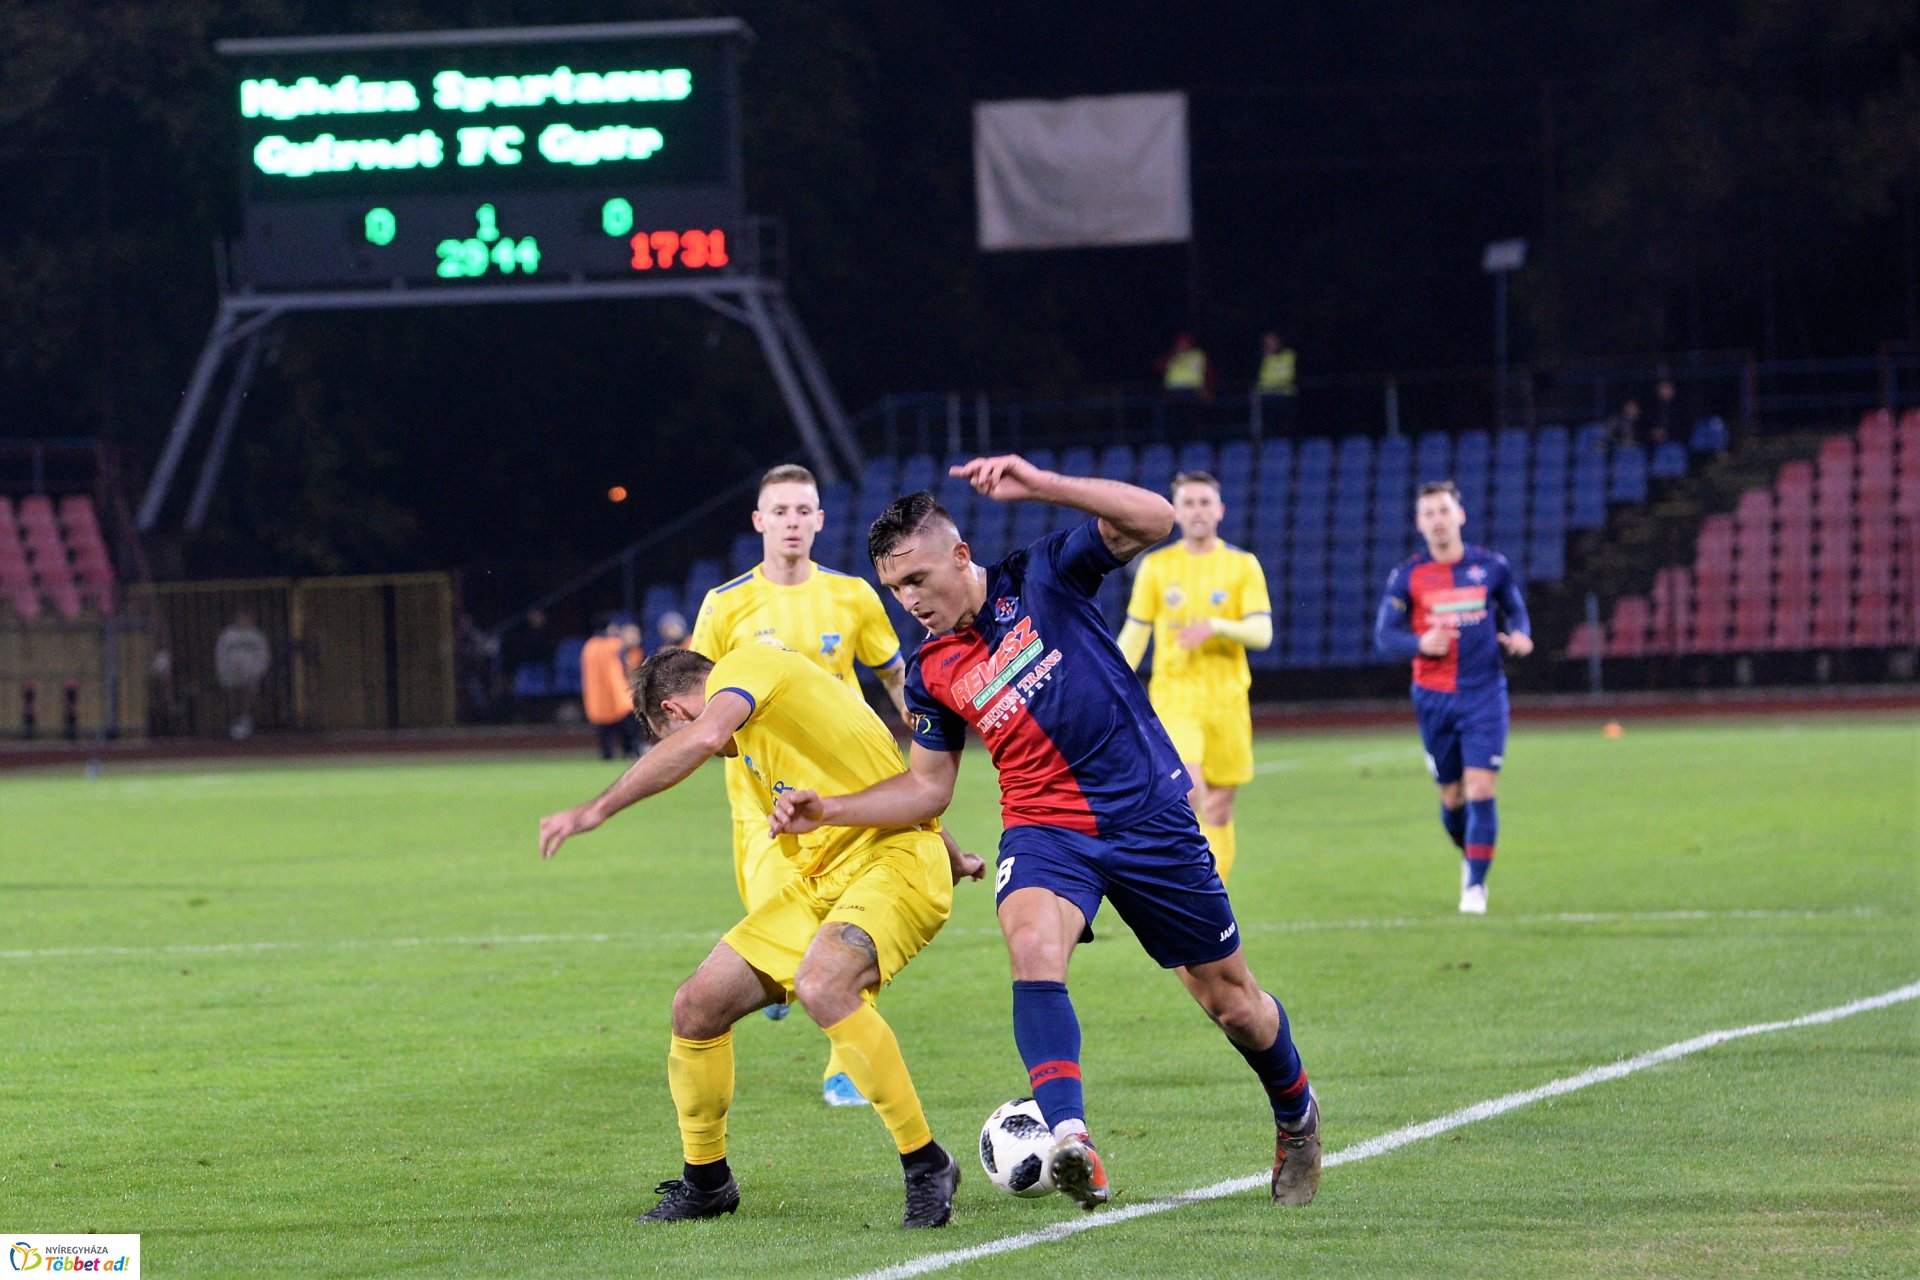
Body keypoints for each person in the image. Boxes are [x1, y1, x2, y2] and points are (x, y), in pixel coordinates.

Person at [769, 456, 1321, 1213]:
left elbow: (1154, 519)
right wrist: (826, 809)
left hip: (1147, 816)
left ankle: (1296, 1114)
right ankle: (1070, 1137)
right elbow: (929, 786)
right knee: (1031, 946)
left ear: (960, 555)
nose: (910, 601)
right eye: (896, 589)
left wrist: (1044, 486)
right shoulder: (933, 670)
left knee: (1233, 1004)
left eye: (919, 579)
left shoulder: (1043, 576)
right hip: (1044, 827)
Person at [536, 644, 981, 1227]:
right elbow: (887, 777)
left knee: (823, 985)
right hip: (827, 880)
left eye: (667, 732)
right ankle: (707, 1181)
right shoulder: (772, 727)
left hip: (891, 863)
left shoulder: (745, 671)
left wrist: (597, 809)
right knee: (696, 1006)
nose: (708, 746)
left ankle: (927, 1164)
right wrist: (956, 854)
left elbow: (697, 740)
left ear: (676, 708)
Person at [689, 463, 938, 1108]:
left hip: (846, 797)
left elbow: (891, 673)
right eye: (781, 511)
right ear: (759, 521)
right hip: (760, 805)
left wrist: (923, 734)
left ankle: (845, 1066)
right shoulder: (725, 605)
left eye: (804, 511)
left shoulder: (853, 595)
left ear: (821, 520)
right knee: (783, 923)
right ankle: (777, 983)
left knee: (851, 927)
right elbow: (700, 693)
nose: (793, 522)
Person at [1373, 480, 1533, 914]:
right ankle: (1471, 852)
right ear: (1419, 522)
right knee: (1453, 798)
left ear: (1459, 514)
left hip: (1485, 694)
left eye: (1444, 510)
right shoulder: (1408, 575)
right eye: (1429, 513)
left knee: (1481, 787)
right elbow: (1385, 634)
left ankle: (1475, 888)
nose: (1438, 520)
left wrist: (1521, 635)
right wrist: (1421, 643)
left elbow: (1516, 608)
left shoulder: (1492, 567)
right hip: (1433, 697)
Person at [1116, 471, 1273, 881]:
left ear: (1219, 510)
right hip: (1174, 697)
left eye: (1205, 502)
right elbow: (1135, 633)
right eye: (1188, 503)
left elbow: (1262, 632)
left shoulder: (1242, 566)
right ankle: (1182, 876)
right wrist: (1110, 680)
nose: (1197, 511)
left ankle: (1211, 889)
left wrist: (1218, 626)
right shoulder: (1156, 566)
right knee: (1188, 790)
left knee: (1220, 807)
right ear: (1176, 512)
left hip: (1227, 700)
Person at [581, 618, 643, 759]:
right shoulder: (616, 645)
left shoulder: (589, 646)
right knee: (628, 732)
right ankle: (632, 752)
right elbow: (627, 668)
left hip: (598, 697)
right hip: (618, 695)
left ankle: (609, 756)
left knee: (606, 737)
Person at [214, 610, 269, 740]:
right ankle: (233, 727)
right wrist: (223, 673)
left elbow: (263, 656)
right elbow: (220, 655)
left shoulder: (256, 635)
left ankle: (248, 726)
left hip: (251, 675)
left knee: (248, 699)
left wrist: (257, 672)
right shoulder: (228, 635)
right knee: (232, 700)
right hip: (231, 676)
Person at [1256, 333, 1298, 435]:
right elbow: (1262, 379)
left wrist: (1273, 383)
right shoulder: (1264, 358)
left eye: (1273, 342)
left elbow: (1287, 376)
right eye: (1268, 343)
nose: (1271, 345)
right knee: (1268, 427)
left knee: (1287, 427)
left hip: (1285, 396)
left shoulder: (1288, 355)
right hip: (1268, 397)